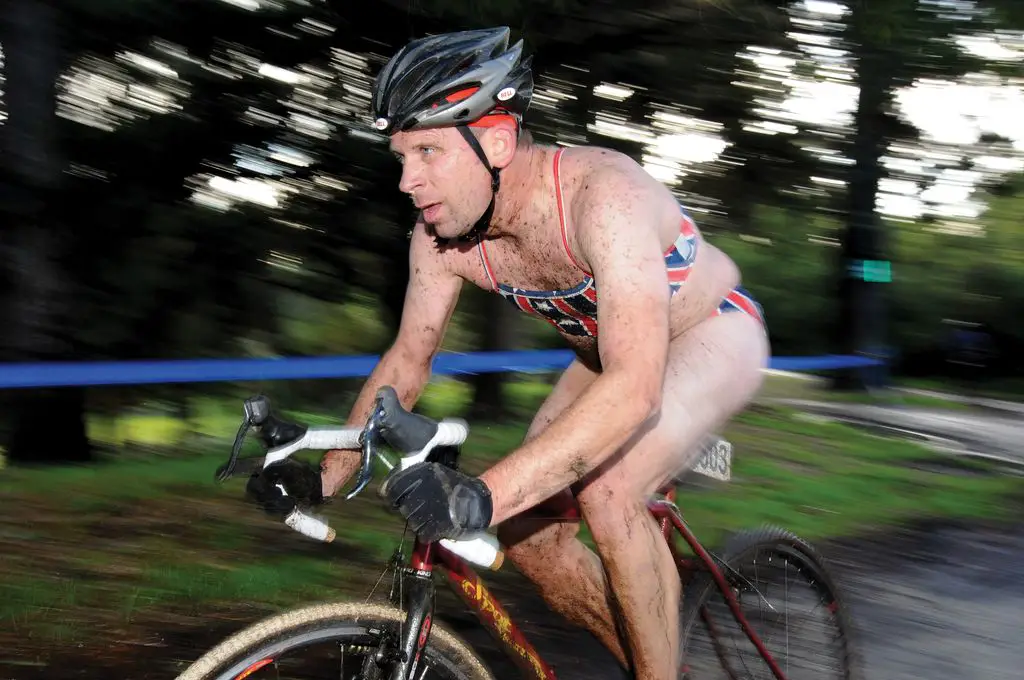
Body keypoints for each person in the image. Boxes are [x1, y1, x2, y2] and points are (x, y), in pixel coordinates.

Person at [246, 26, 770, 680]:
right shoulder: (439, 236)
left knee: (608, 492)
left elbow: (637, 387)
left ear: (495, 141)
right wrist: (324, 476)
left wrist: (481, 496)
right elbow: (409, 361)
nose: (408, 180)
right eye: (401, 156)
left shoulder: (601, 196)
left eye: (429, 152)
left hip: (710, 334)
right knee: (534, 543)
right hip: (600, 356)